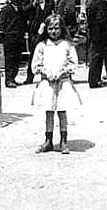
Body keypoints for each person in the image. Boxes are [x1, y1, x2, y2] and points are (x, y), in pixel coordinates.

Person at [30, 15, 81, 154]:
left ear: (62, 28)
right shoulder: (42, 45)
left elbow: (73, 63)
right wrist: (45, 72)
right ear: (46, 29)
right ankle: (48, 140)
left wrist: (63, 72)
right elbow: (35, 65)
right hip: (48, 83)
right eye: (51, 28)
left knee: (62, 110)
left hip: (63, 82)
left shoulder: (67, 45)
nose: (54, 31)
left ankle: (64, 141)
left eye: (57, 28)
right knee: (49, 111)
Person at [0, 0, 29, 88]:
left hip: (19, 38)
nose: (17, 1)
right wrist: (7, 32)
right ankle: (8, 80)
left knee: (17, 59)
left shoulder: (21, 10)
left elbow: (24, 23)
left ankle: (13, 78)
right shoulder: (5, 10)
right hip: (9, 39)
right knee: (9, 60)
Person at [24, 0, 54, 85]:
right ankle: (29, 78)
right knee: (33, 55)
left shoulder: (51, 3)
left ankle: (46, 76)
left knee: (48, 54)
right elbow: (24, 12)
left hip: (47, 32)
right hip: (35, 33)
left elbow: (53, 15)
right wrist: (32, 5)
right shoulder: (33, 4)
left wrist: (45, 24)